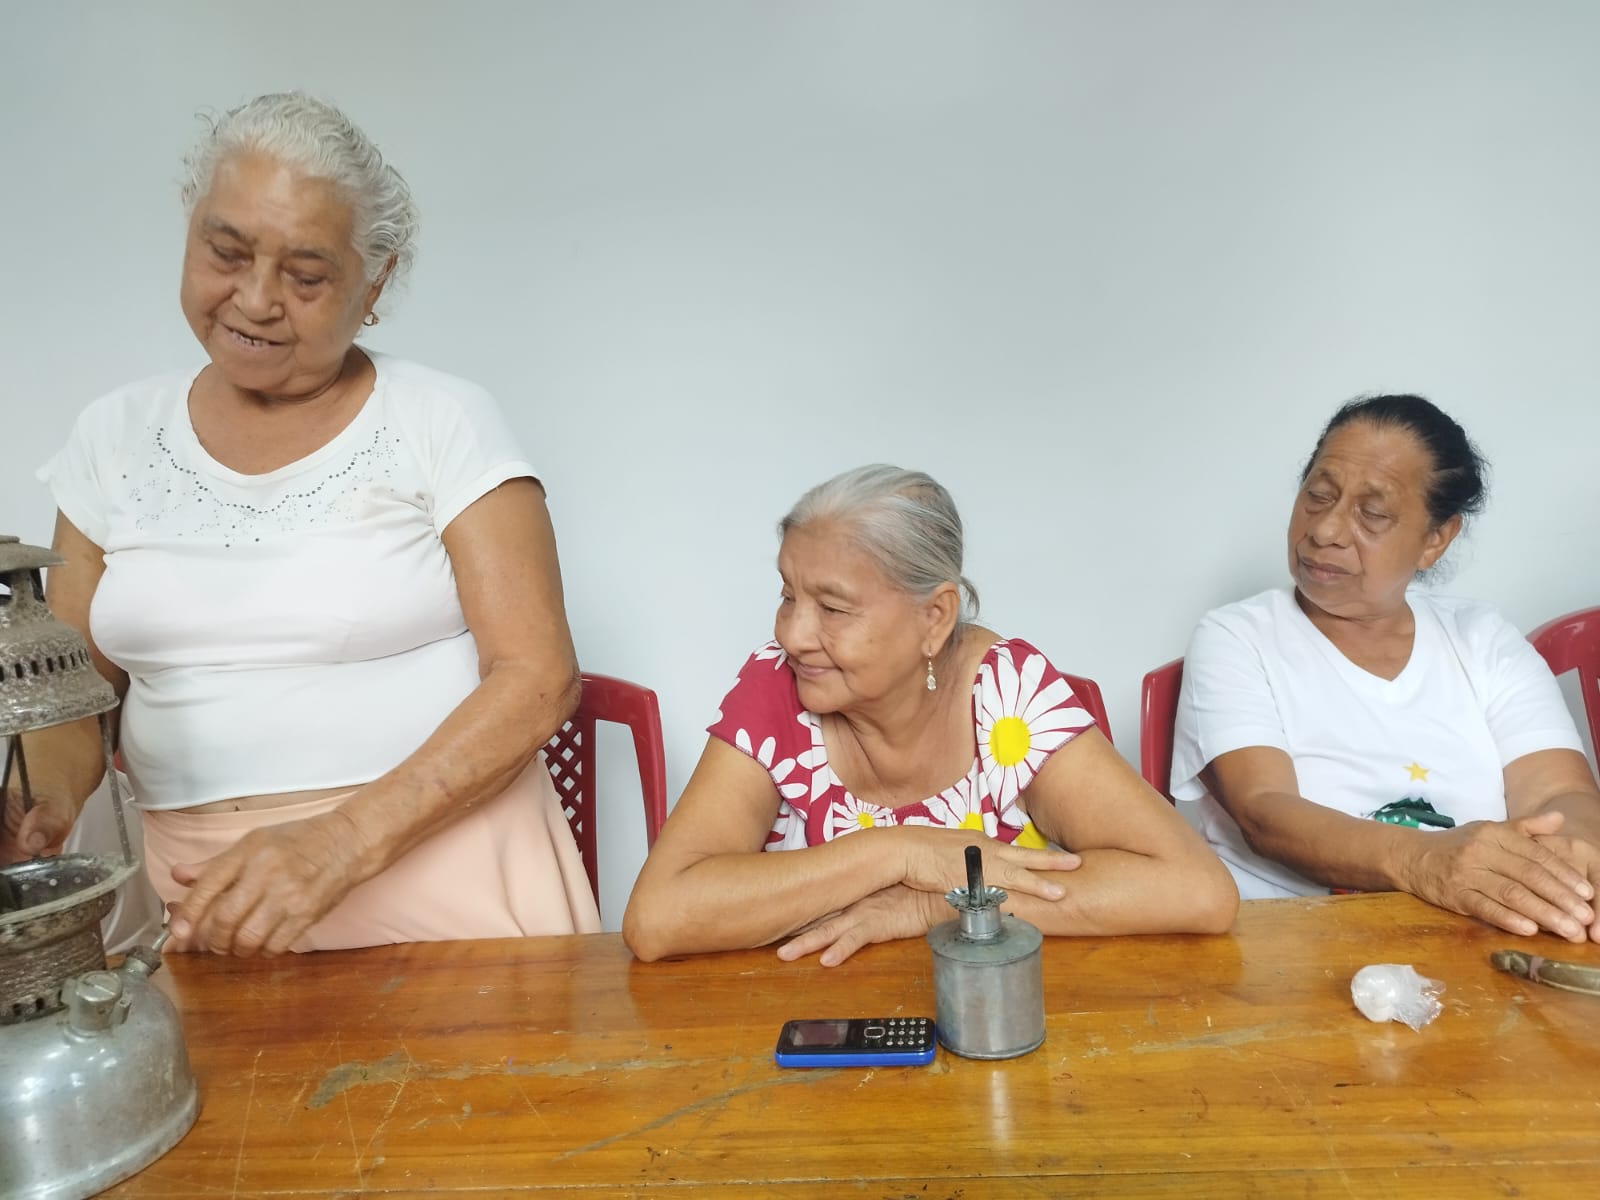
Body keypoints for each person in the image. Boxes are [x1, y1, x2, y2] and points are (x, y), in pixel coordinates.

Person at [2, 92, 599, 954]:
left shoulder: (442, 421)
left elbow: (537, 677)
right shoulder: (111, 437)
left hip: (440, 870)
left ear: (374, 282)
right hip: (197, 898)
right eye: (225, 252)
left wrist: (340, 843)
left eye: (306, 276)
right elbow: (78, 695)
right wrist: (45, 804)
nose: (254, 299)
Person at [623, 465, 1238, 964]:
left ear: (935, 617)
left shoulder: (1006, 694)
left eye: (833, 609)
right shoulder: (775, 684)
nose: (793, 634)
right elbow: (657, 918)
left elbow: (1194, 889)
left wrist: (933, 906)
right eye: (788, 596)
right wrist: (900, 853)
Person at [1171, 394, 1600, 943]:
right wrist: (1425, 861)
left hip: (1475, 944)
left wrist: (1572, 859)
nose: (1325, 530)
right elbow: (1264, 812)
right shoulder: (1237, 637)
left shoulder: (1483, 638)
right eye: (1318, 495)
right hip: (1289, 950)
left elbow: (1560, 797)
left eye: (1371, 514)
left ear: (1435, 539)